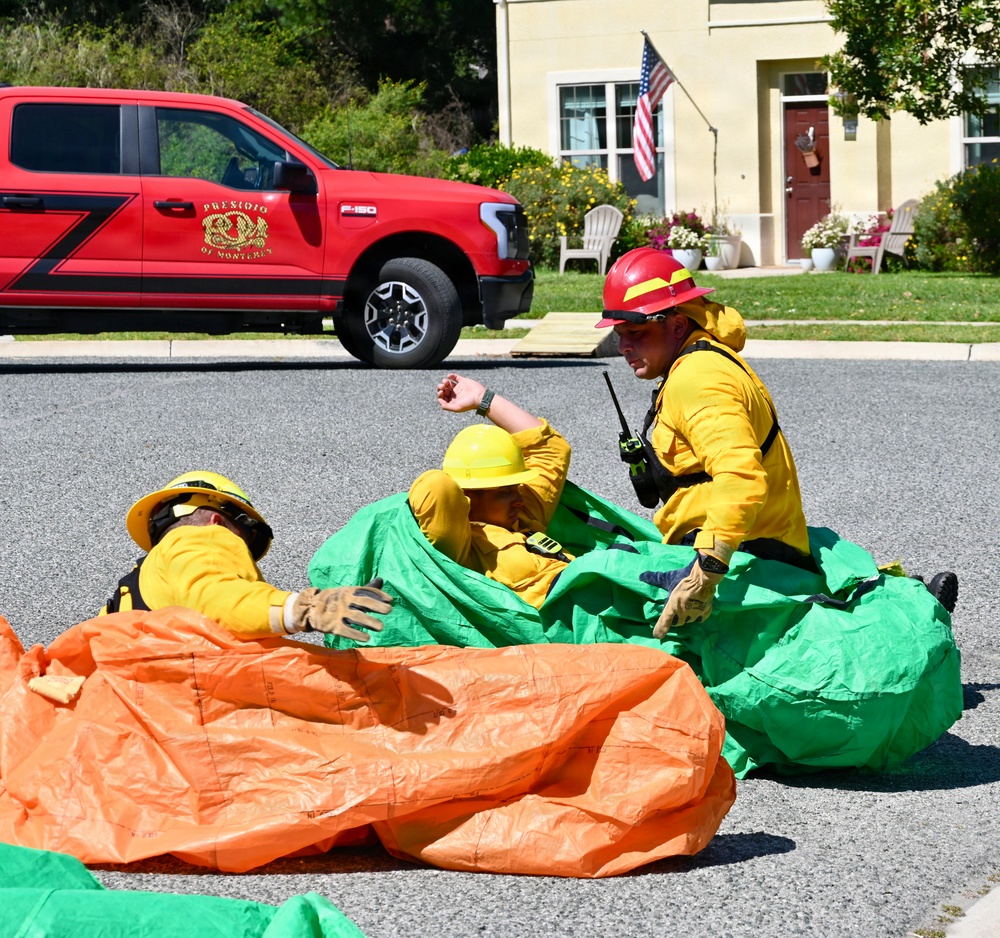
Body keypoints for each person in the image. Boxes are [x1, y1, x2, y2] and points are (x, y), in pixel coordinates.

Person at [597, 247, 958, 635]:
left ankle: (907, 622)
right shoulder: (698, 360)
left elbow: (740, 478)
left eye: (636, 333)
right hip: (748, 537)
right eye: (620, 335)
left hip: (745, 549)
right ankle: (903, 603)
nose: (623, 347)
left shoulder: (697, 380)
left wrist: (705, 574)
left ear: (678, 325)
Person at [103, 471, 393, 641]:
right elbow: (219, 598)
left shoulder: (135, 585)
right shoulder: (201, 537)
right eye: (245, 532)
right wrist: (307, 608)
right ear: (217, 519)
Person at [407, 373, 572, 608]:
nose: (518, 498)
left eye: (515, 487)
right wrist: (461, 483)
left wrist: (482, 398)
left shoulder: (523, 517)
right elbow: (437, 486)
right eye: (504, 492)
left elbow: (551, 449)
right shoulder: (460, 548)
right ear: (466, 497)